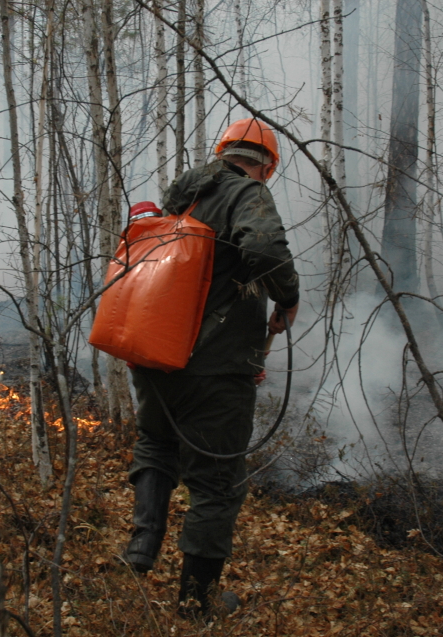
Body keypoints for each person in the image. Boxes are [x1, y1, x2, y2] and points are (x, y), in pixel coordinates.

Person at [123, 118, 299, 616]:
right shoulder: (248, 192)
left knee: (157, 442)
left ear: (224, 152)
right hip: (213, 369)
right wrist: (288, 298)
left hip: (155, 353)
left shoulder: (184, 197)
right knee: (218, 483)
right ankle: (196, 604)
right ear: (267, 166)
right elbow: (263, 248)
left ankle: (142, 545)